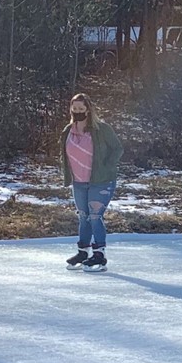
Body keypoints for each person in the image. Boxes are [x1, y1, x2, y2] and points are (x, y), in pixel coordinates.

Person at [60, 93, 124, 272]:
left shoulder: (101, 129)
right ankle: (82, 252)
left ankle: (99, 255)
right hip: (79, 182)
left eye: (81, 108)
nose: (78, 111)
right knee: (83, 216)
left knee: (95, 217)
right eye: (75, 109)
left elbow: (117, 148)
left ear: (88, 109)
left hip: (101, 181)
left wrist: (107, 166)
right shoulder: (68, 130)